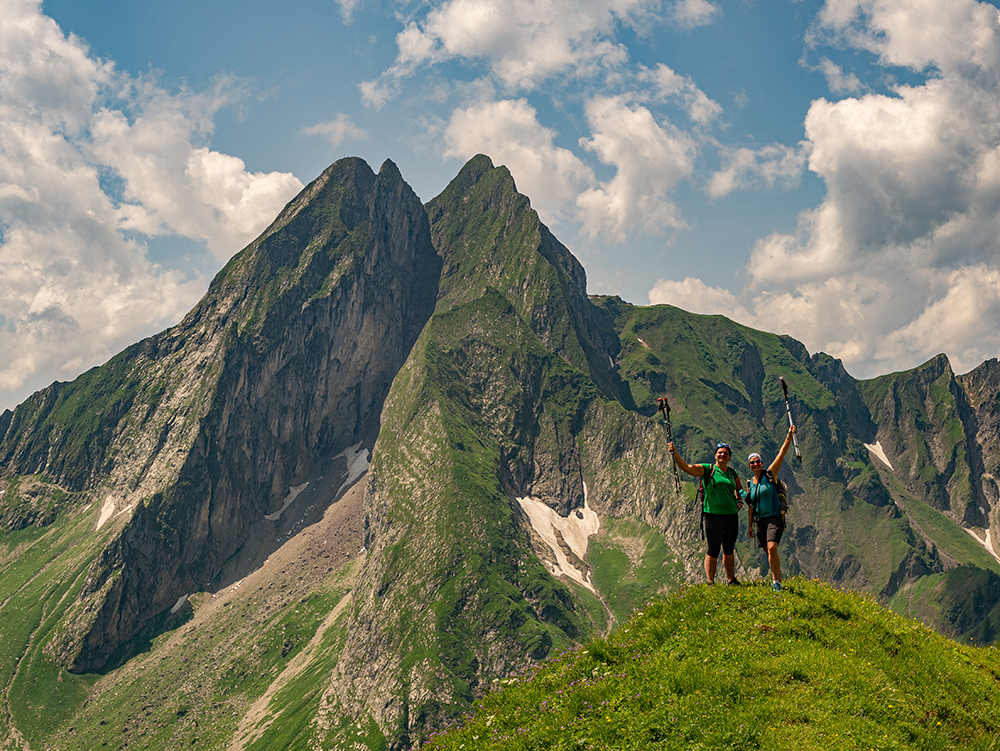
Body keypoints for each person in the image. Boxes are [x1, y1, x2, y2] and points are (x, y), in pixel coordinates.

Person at [668, 441, 745, 585]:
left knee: (729, 548)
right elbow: (687, 468)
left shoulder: (733, 473)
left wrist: (739, 500)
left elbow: (738, 488)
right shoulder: (707, 469)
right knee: (713, 548)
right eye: (720, 453)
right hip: (713, 515)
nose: (722, 455)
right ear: (715, 455)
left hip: (731, 515)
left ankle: (731, 579)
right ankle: (710, 581)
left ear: (729, 457)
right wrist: (675, 453)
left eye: (725, 454)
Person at [742, 425, 797, 591]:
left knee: (772, 548)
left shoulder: (770, 474)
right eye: (752, 462)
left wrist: (789, 435)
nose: (755, 464)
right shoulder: (750, 483)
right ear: (750, 466)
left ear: (762, 463)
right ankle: (777, 579)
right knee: (769, 552)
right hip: (759, 521)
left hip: (774, 518)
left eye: (757, 461)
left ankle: (776, 583)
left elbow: (781, 453)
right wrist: (750, 524)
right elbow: (751, 504)